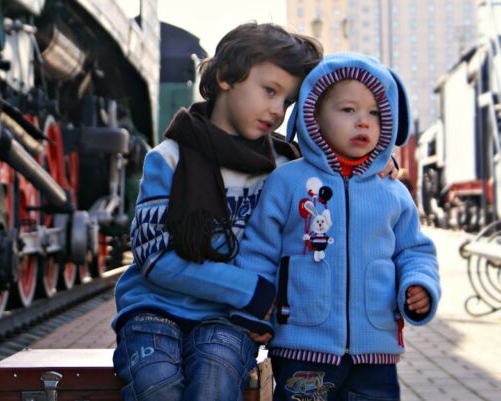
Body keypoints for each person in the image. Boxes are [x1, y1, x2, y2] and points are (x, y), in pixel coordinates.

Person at [111, 22, 323, 401]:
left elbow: (334, 183)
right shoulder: (169, 159)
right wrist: (250, 292)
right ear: (226, 76)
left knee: (215, 382)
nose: (277, 110)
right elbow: (155, 257)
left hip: (228, 318)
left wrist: (380, 165)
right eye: (269, 91)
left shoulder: (283, 167)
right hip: (153, 308)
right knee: (156, 385)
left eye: (286, 101)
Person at [236, 52, 441, 401]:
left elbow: (414, 250)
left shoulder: (393, 192)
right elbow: (259, 251)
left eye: (375, 113)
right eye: (348, 110)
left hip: (376, 352)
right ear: (313, 115)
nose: (363, 121)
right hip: (302, 349)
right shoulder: (287, 182)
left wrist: (419, 282)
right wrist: (254, 308)